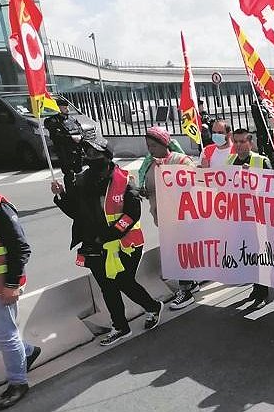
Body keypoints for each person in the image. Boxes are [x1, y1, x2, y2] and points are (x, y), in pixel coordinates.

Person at [51, 140, 163, 347]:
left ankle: (153, 307)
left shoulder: (124, 180)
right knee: (107, 287)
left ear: (107, 156)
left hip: (125, 244)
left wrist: (111, 235)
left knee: (124, 281)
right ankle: (120, 326)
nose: (90, 156)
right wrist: (61, 196)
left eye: (95, 152)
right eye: (88, 152)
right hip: (94, 246)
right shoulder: (82, 181)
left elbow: (132, 214)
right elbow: (76, 213)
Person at [0, 189, 40, 410]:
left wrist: (11, 285)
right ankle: (27, 351)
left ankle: (18, 383)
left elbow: (20, 247)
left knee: (5, 335)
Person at [138, 127, 198, 311]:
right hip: (162, 217)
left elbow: (196, 182)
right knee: (176, 251)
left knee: (181, 252)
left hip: (183, 217)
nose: (150, 149)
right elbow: (148, 188)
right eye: (148, 146)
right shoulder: (149, 165)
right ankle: (190, 283)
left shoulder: (180, 161)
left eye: (154, 145)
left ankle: (185, 290)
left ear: (164, 144)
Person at [227, 129, 272, 307]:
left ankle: (263, 291)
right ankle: (255, 286)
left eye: (242, 142)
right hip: (240, 217)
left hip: (259, 217)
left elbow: (273, 185)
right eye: (235, 142)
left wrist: (253, 176)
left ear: (250, 142)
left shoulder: (261, 161)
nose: (238, 145)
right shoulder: (230, 161)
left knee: (261, 254)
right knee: (249, 253)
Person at [44, 98, 84, 185]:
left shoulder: (72, 119)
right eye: (65, 108)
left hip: (77, 150)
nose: (67, 110)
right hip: (65, 151)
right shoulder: (53, 121)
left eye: (67, 107)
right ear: (58, 108)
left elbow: (80, 129)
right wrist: (71, 138)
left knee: (79, 172)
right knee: (69, 174)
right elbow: (56, 136)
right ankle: (70, 192)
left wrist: (80, 136)